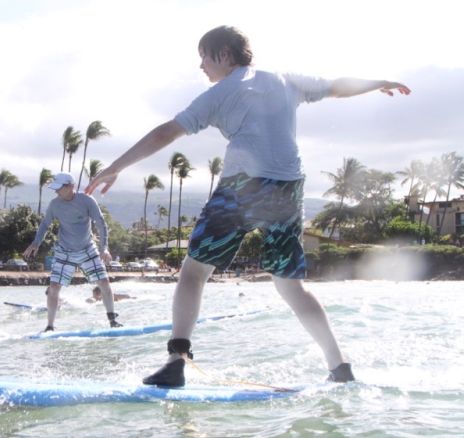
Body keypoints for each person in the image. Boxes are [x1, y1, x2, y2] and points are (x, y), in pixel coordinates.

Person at [85, 25, 410, 387]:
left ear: (224, 54)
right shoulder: (285, 80)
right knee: (290, 286)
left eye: (204, 57)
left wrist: (115, 167)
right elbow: (337, 86)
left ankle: (177, 361)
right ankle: (339, 366)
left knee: (194, 272)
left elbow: (166, 132)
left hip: (243, 188)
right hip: (287, 190)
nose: (201, 67)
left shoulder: (219, 93)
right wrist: (378, 81)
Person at [23, 172, 123, 331]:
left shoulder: (87, 201)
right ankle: (50, 326)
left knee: (104, 283)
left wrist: (104, 248)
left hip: (87, 248)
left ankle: (112, 320)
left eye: (59, 188)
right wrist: (36, 243)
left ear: (71, 186)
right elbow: (44, 224)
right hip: (64, 250)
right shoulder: (55, 204)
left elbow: (101, 224)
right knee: (54, 287)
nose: (56, 191)